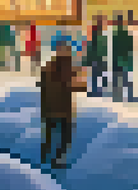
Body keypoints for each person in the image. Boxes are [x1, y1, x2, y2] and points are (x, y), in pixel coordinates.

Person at [38, 40, 87, 169]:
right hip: (62, 110)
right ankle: (58, 158)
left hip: (48, 109)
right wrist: (84, 85)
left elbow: (42, 82)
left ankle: (44, 156)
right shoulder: (65, 67)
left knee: (49, 135)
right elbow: (70, 84)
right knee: (66, 135)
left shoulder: (48, 67)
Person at [111, 16, 135, 102]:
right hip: (125, 60)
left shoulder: (115, 35)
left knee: (117, 78)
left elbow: (113, 49)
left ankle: (116, 95)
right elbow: (130, 48)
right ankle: (129, 96)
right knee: (126, 79)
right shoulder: (126, 35)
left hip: (117, 59)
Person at [85, 22, 107, 97]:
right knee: (100, 75)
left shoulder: (93, 41)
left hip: (96, 60)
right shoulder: (102, 40)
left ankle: (95, 91)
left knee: (95, 76)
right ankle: (100, 90)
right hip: (99, 60)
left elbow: (90, 51)